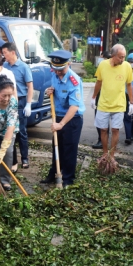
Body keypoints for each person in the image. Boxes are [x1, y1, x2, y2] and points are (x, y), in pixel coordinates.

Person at [40, 50, 84, 188]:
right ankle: (54, 173)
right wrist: (50, 91)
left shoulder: (74, 81)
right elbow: (55, 89)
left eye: (61, 69)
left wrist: (62, 124)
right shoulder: (55, 74)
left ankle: (68, 179)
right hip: (57, 115)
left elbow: (74, 107)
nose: (58, 72)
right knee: (56, 147)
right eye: (55, 69)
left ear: (69, 64)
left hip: (72, 119)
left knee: (69, 149)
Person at [91, 44, 133, 162]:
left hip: (119, 104)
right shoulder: (103, 65)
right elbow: (99, 82)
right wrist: (94, 97)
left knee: (115, 130)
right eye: (120, 57)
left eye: (124, 57)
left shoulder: (127, 66)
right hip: (103, 104)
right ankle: (105, 154)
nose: (122, 60)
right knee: (103, 130)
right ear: (113, 56)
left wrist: (131, 102)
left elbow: (129, 85)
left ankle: (112, 155)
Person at [0, 42, 33, 171]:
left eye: (5, 53)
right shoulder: (5, 66)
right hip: (8, 101)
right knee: (10, 130)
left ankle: (25, 158)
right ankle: (12, 159)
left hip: (21, 102)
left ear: (12, 52)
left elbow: (30, 86)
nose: (4, 56)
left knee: (22, 131)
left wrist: (28, 104)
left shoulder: (23, 67)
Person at [92, 50, 111, 149]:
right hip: (105, 97)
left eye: (101, 57)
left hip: (102, 98)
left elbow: (98, 83)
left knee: (100, 119)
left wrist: (93, 97)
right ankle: (104, 140)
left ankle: (102, 141)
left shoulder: (104, 67)